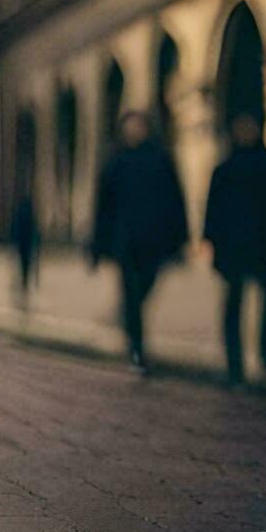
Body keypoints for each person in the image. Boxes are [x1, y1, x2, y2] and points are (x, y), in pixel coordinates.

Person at [91, 111, 188, 373]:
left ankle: (128, 320)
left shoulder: (160, 159)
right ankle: (137, 347)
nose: (134, 131)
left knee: (146, 285)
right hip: (125, 241)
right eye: (130, 127)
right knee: (132, 292)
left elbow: (175, 201)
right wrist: (97, 246)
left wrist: (181, 239)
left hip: (154, 240)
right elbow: (103, 207)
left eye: (139, 127)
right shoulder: (115, 162)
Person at [202, 112, 266, 386]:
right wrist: (211, 242)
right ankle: (234, 362)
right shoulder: (225, 169)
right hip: (235, 248)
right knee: (234, 304)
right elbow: (213, 211)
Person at [9, 195, 40, 305]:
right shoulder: (30, 215)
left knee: (22, 265)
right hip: (27, 244)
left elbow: (14, 229)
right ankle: (25, 283)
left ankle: (23, 283)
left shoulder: (19, 214)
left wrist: (13, 241)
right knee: (26, 265)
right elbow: (35, 230)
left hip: (22, 244)